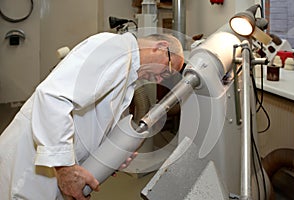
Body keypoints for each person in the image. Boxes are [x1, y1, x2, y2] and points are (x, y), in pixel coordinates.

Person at [0, 31, 184, 200]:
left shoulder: (127, 71)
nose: (159, 80)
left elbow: (91, 122)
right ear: (160, 47)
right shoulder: (114, 49)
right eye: (166, 69)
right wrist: (65, 169)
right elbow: (52, 97)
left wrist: (111, 155)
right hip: (29, 168)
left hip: (50, 168)